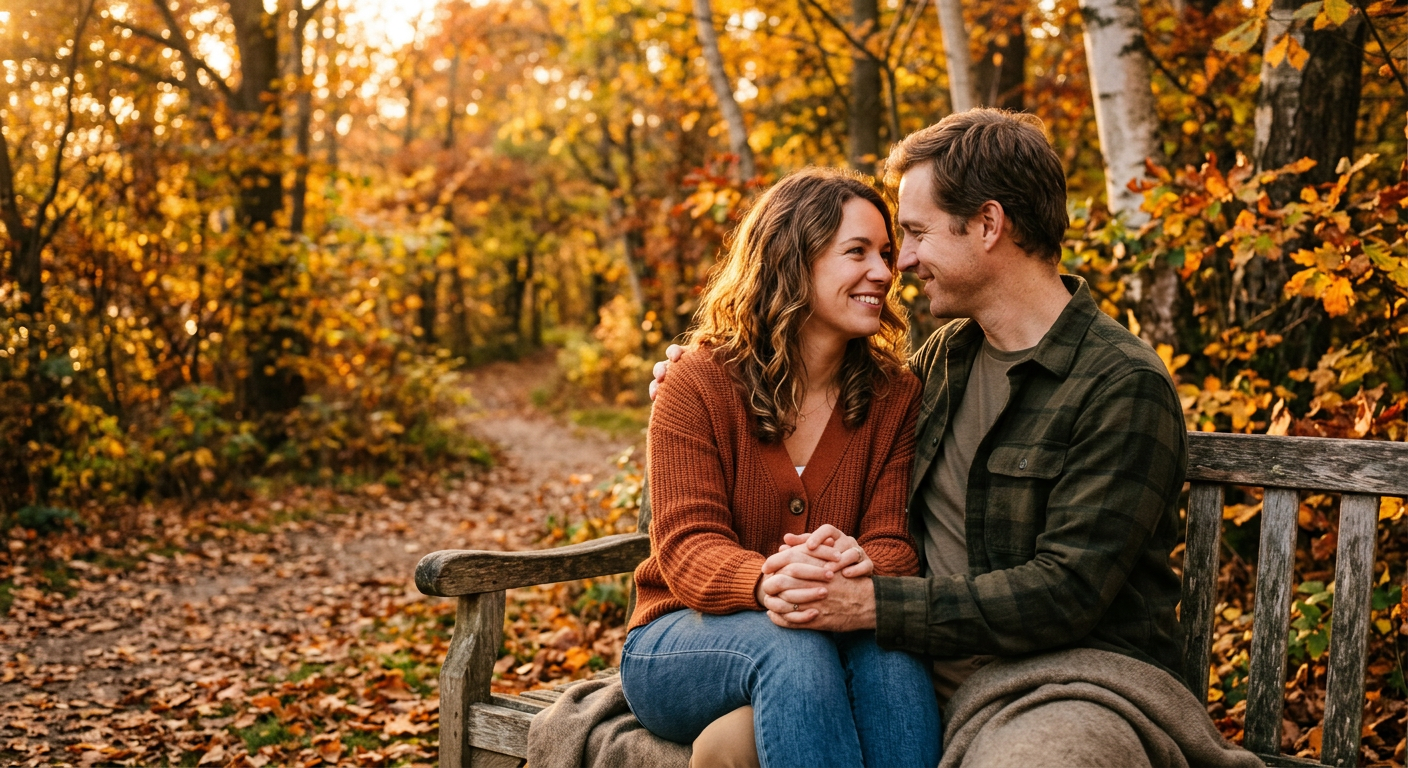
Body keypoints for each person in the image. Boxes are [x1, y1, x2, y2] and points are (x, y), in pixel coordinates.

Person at [653, 109, 1199, 767]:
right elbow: (801, 400)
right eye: (877, 247)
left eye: (911, 236)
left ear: (990, 225)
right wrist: (696, 381)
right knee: (735, 744)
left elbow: (1066, 594)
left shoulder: (1119, 382)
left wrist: (869, 599)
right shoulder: (943, 362)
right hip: (911, 661)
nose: (899, 264)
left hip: (1070, 680)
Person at [622, 167, 942, 768]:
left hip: (836, 622)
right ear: (793, 260)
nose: (883, 271)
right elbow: (687, 548)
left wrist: (859, 559)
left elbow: (894, 542)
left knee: (894, 657)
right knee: (790, 647)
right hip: (682, 635)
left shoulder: (895, 395)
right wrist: (769, 578)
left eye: (885, 253)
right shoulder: (698, 380)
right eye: (857, 252)